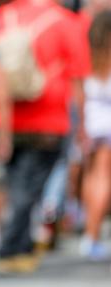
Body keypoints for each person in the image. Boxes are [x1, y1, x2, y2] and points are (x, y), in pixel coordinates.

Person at [0, 0, 90, 272]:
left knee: (14, 186)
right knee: (29, 189)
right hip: (49, 119)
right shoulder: (64, 21)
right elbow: (77, 78)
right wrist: (82, 126)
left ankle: (20, 246)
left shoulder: (1, 16)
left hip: (5, 117)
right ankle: (9, 249)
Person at [79, 10, 111, 260]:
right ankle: (92, 235)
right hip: (107, 126)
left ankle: (89, 231)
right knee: (103, 178)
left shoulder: (88, 57)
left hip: (91, 123)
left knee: (91, 176)